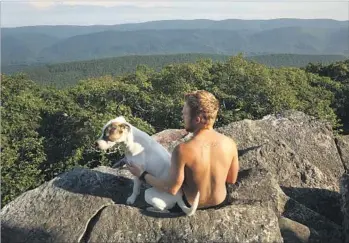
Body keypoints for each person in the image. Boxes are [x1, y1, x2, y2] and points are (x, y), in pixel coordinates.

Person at [127, 90, 239, 211]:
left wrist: (142, 175)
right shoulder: (230, 144)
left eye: (185, 113)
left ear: (197, 119)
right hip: (219, 201)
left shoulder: (183, 150)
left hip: (190, 204)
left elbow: (172, 189)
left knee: (149, 194)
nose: (182, 116)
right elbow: (231, 179)